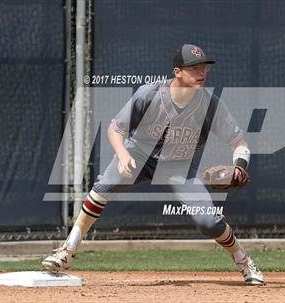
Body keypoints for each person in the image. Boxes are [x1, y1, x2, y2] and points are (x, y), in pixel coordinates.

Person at [42, 44, 264, 285]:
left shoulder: (210, 104)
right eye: (194, 68)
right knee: (101, 190)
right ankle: (67, 251)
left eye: (204, 68)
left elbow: (238, 142)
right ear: (177, 72)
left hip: (178, 166)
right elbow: (115, 128)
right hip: (138, 156)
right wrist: (123, 154)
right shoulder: (149, 94)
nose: (201, 73)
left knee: (208, 221)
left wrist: (240, 166)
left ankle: (245, 263)